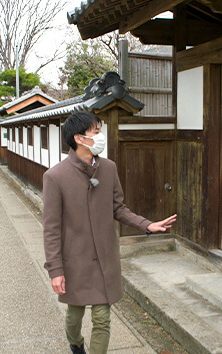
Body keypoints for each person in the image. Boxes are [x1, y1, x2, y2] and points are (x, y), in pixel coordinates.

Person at [42, 112, 177, 354]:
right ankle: (75, 343)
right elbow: (51, 229)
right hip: (75, 261)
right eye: (96, 132)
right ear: (80, 138)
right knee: (74, 316)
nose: (100, 136)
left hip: (105, 258)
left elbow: (118, 208)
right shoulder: (55, 177)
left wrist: (147, 225)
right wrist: (55, 270)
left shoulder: (108, 168)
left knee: (102, 318)